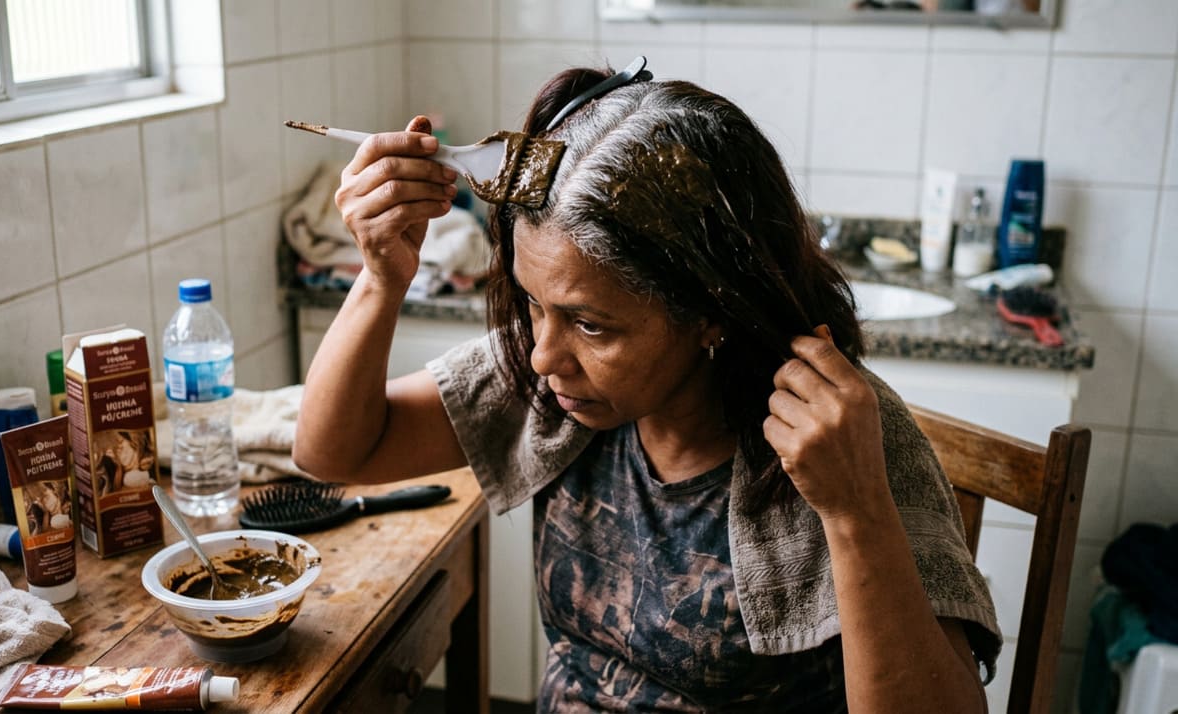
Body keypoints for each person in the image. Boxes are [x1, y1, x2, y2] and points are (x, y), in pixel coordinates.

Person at [293, 59, 1000, 712]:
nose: (543, 356)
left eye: (592, 325)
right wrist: (382, 277)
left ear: (711, 311)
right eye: (534, 303)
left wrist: (856, 515)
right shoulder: (561, 387)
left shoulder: (839, 441)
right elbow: (335, 452)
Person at [98, 430, 154, 495]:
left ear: (134, 441)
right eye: (114, 448)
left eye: (120, 442)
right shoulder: (113, 467)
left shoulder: (147, 467)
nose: (118, 449)